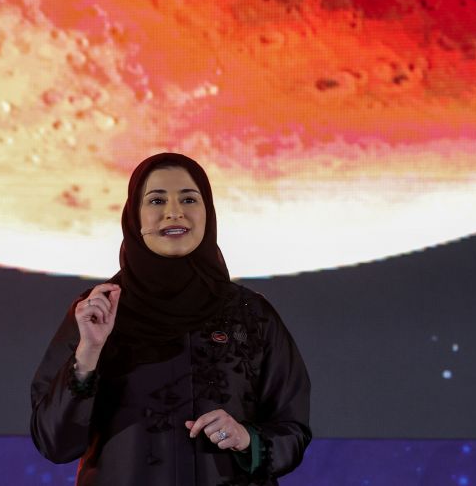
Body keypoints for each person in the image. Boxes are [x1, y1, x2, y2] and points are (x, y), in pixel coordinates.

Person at [30, 152, 311, 485]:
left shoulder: (251, 314)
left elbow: (292, 429)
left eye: (189, 199)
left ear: (208, 212)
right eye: (156, 200)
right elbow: (55, 443)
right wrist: (88, 353)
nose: (174, 212)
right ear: (134, 216)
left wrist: (247, 439)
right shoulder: (99, 311)